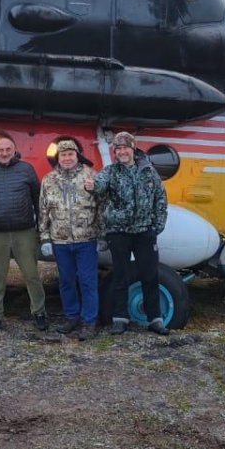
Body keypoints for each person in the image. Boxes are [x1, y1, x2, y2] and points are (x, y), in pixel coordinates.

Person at [92, 131, 169, 336]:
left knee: (150, 276)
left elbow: (160, 199)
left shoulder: (149, 171)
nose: (122, 152)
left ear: (133, 149)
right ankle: (120, 318)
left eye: (125, 148)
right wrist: (91, 184)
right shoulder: (110, 172)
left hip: (144, 232)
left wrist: (157, 227)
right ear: (115, 152)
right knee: (120, 276)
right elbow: (98, 186)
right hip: (119, 233)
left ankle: (155, 319)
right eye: (118, 149)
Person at [0, 133, 48, 332]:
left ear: (14, 150)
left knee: (32, 275)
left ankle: (40, 313)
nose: (4, 153)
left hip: (24, 231)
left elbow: (38, 199)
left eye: (8, 149)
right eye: (0, 150)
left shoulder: (26, 169)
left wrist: (40, 229)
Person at [39, 138, 101, 340]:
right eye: (63, 155)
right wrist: (45, 238)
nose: (66, 158)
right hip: (60, 241)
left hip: (86, 239)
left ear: (77, 155)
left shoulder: (91, 176)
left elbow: (102, 205)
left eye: (70, 154)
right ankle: (71, 316)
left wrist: (102, 234)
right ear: (58, 157)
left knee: (87, 281)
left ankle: (89, 321)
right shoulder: (49, 180)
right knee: (66, 281)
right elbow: (43, 211)